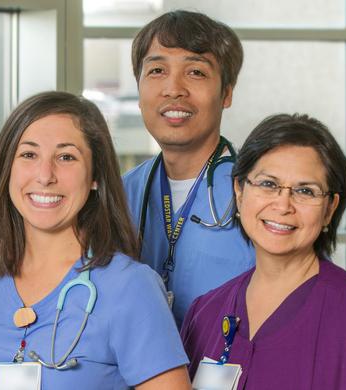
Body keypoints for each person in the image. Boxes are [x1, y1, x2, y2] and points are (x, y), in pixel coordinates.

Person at [0, 91, 190, 389]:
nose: (45, 175)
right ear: (7, 168)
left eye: (66, 157)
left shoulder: (130, 288)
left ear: (96, 175)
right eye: (29, 155)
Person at [181, 114, 346, 389]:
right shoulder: (205, 313)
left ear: (330, 208)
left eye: (305, 190)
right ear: (240, 191)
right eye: (268, 184)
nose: (283, 205)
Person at [122, 10, 254, 325]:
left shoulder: (261, 194)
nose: (174, 89)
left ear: (226, 93)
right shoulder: (119, 194)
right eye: (156, 70)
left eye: (195, 72)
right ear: (139, 91)